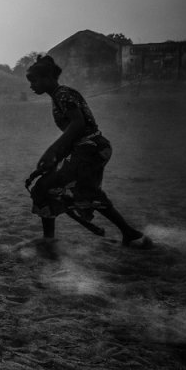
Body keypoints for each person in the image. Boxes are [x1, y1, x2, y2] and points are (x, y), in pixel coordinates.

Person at [25, 55, 151, 250]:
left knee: (46, 188)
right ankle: (130, 233)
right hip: (90, 148)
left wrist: (52, 151)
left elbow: (78, 125)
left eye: (34, 80)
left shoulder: (63, 94)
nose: (32, 85)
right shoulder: (60, 96)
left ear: (48, 77)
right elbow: (74, 134)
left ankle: (49, 241)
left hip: (91, 149)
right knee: (82, 191)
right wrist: (54, 159)